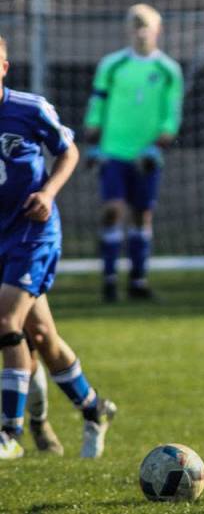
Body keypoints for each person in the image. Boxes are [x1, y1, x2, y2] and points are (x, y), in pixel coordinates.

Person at [0, 35, 117, 459]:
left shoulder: (29, 109)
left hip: (33, 233)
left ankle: (8, 435)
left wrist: (47, 194)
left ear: (4, 67)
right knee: (43, 336)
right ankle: (93, 409)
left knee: (5, 319)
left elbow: (67, 153)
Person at [83, 3, 184, 302]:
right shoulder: (111, 65)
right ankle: (109, 279)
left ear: (158, 31)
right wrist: (93, 143)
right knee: (113, 210)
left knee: (142, 215)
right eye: (136, 26)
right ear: (128, 30)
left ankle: (138, 280)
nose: (141, 32)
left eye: (146, 27)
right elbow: (97, 105)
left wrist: (157, 146)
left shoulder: (168, 70)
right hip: (113, 152)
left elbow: (171, 114)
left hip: (147, 155)